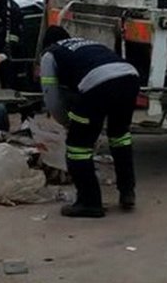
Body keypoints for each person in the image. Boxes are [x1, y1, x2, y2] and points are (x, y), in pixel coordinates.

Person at [39, 26, 139, 218]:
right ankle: (127, 191)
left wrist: (67, 122)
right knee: (120, 136)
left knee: (78, 147)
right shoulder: (86, 44)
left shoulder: (50, 54)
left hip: (97, 84)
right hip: (129, 77)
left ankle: (89, 202)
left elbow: (51, 97)